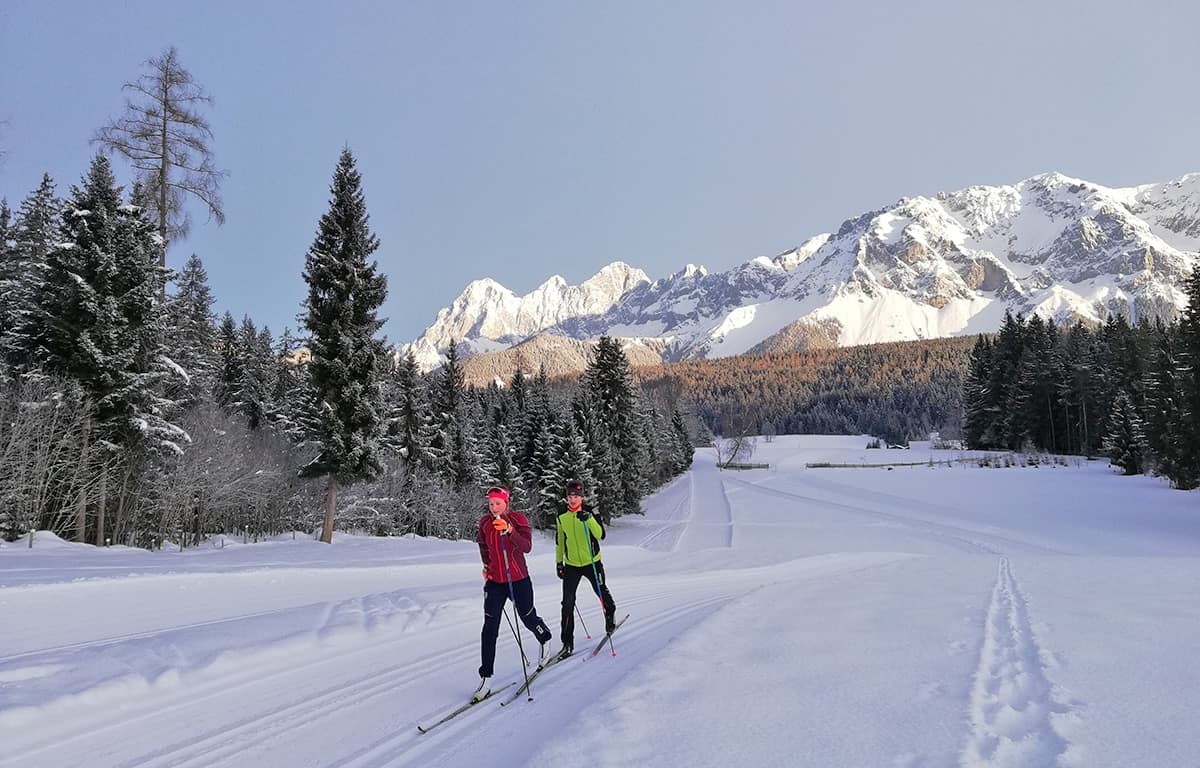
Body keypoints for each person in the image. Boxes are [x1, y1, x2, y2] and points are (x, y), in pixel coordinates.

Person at [475, 485, 552, 699]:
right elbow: (483, 546)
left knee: (528, 617)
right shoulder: (485, 523)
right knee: (489, 629)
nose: (494, 507)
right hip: (495, 582)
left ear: (506, 503)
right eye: (491, 503)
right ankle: (486, 678)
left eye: (498, 503)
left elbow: (526, 546)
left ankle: (545, 638)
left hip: (518, 579)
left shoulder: (518, 520)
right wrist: (486, 566)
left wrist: (509, 531)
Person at [555, 479, 617, 657]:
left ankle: (610, 613)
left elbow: (601, 535)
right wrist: (559, 562)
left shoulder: (590, 512)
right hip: (572, 565)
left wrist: (588, 519)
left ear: (582, 497)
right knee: (567, 603)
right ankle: (567, 643)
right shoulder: (561, 515)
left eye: (576, 496)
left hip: (592, 562)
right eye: (570, 496)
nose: (572, 499)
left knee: (600, 591)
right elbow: (560, 541)